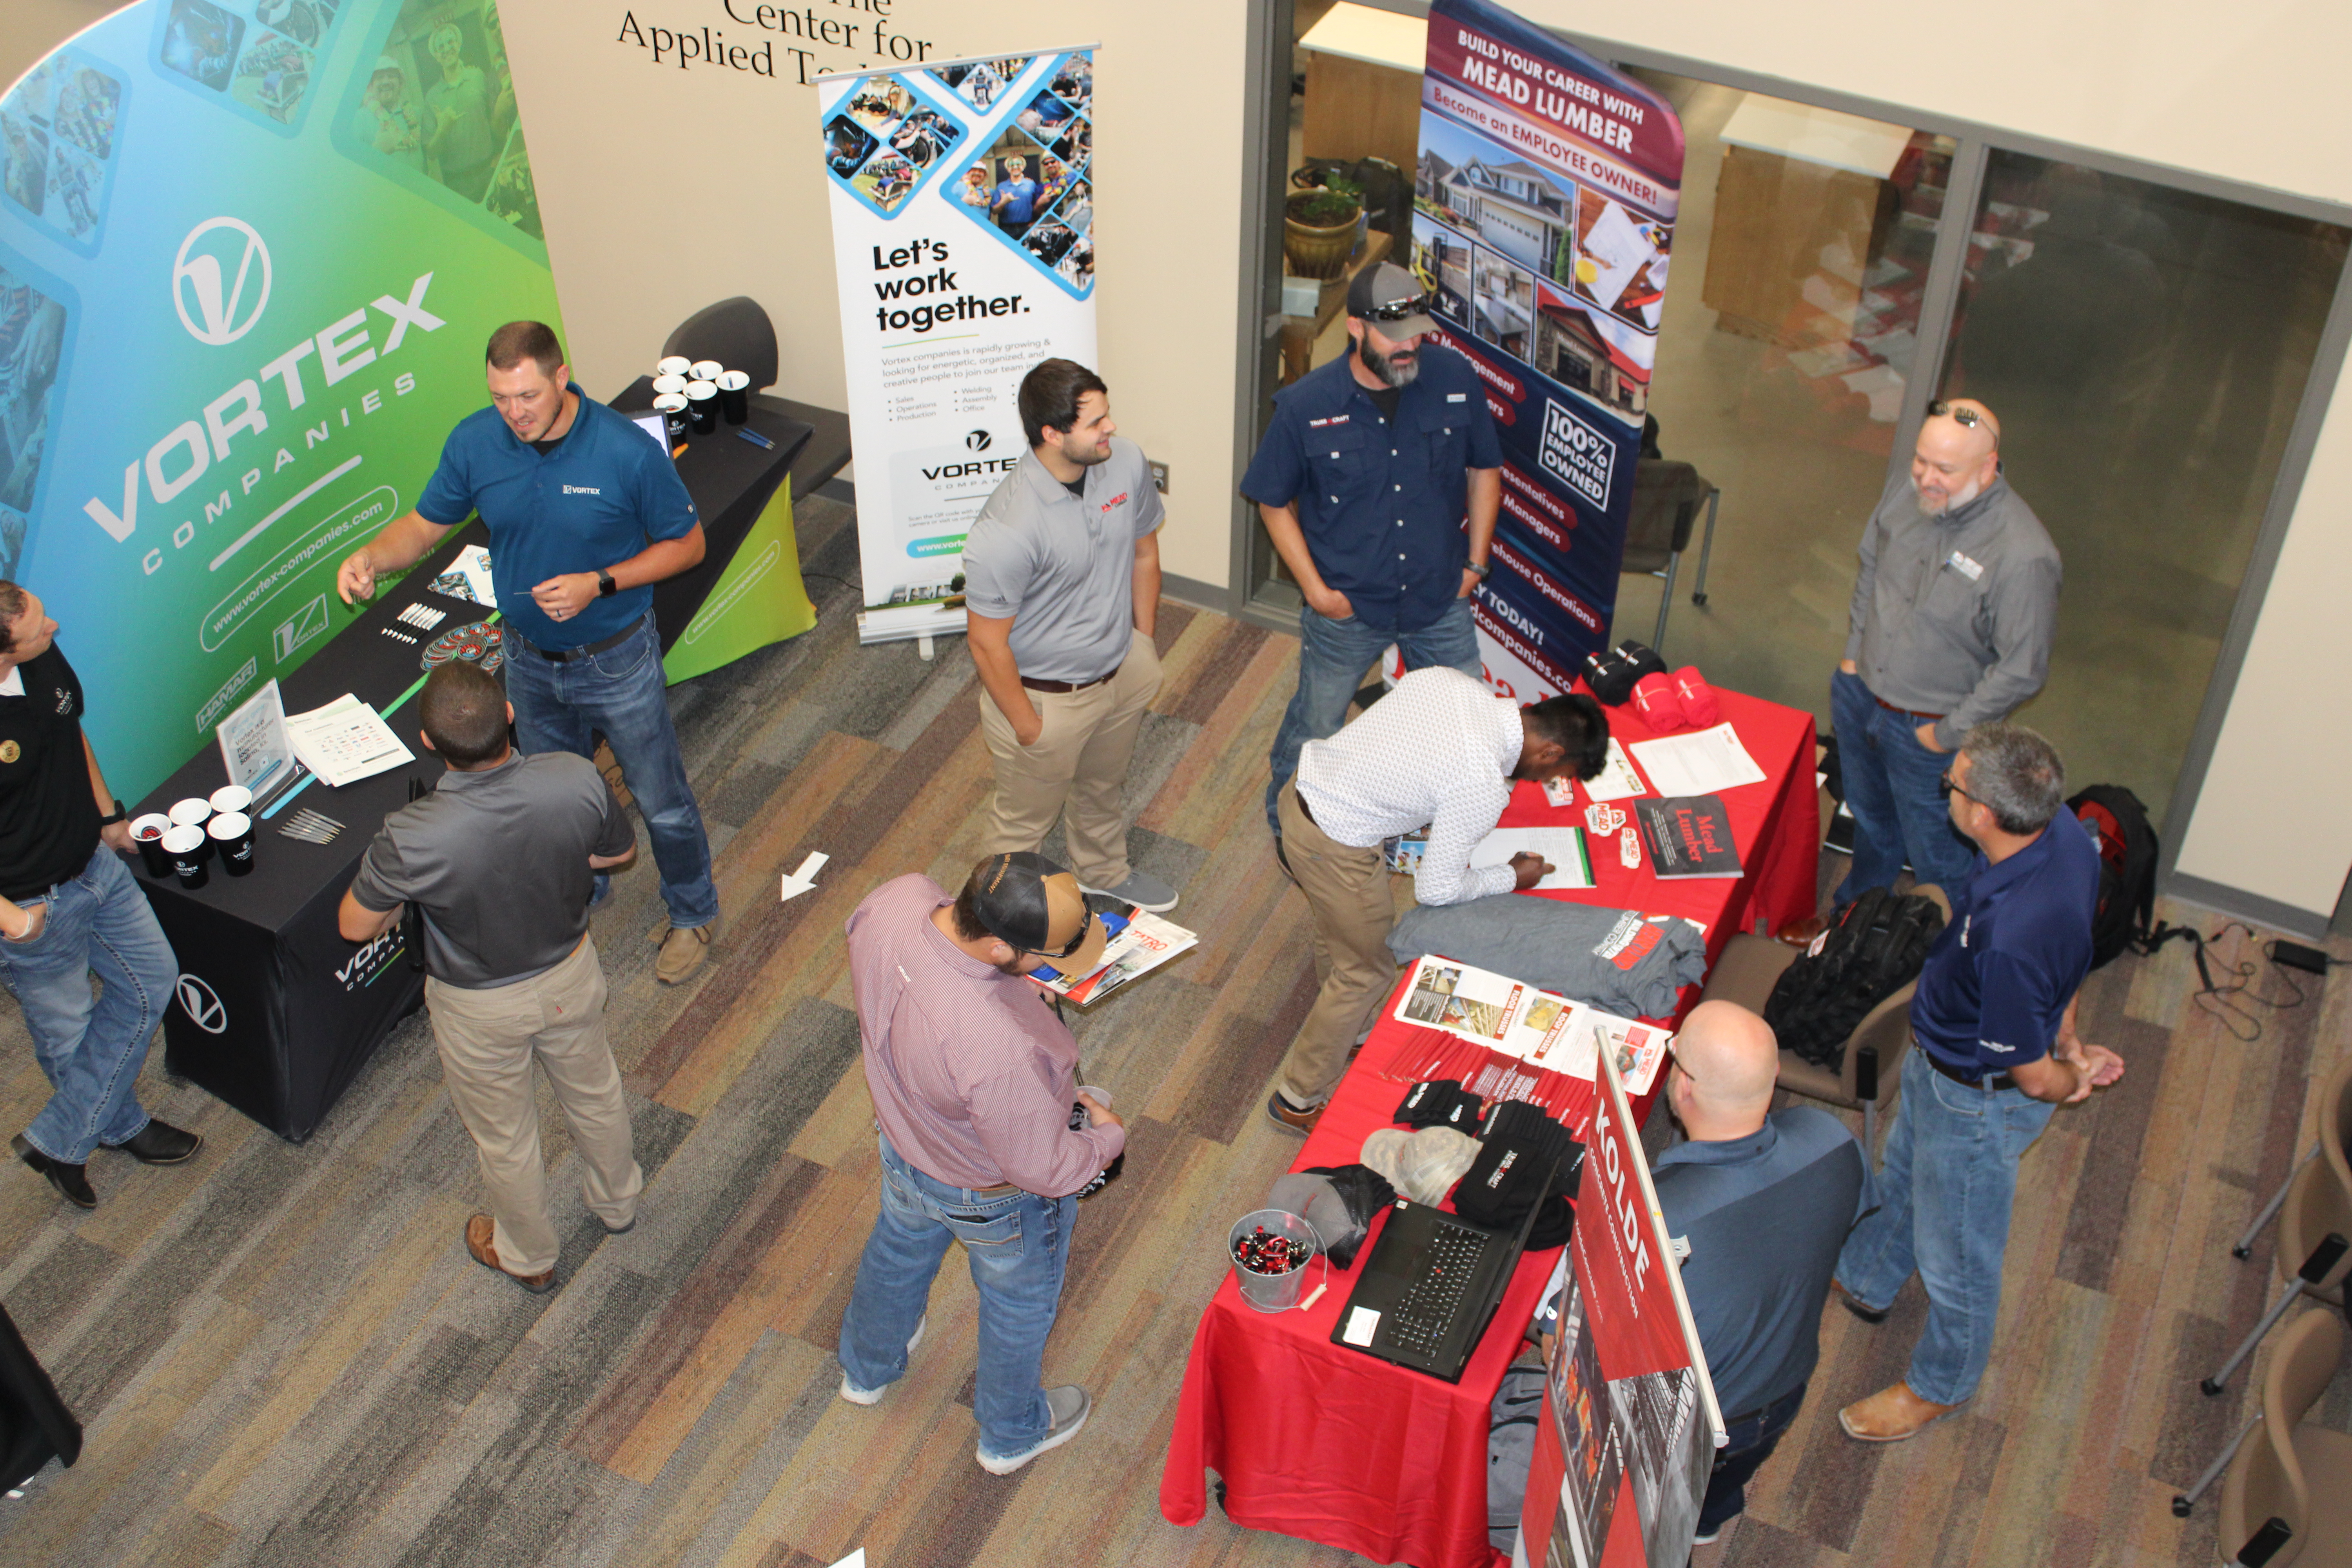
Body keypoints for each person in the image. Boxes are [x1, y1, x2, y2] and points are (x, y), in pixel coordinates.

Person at [334, 321, 721, 984]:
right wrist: (372, 555)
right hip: (528, 664)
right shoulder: (475, 443)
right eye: (500, 398)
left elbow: (688, 546)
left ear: (561, 377)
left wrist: (600, 582)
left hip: (616, 658)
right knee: (553, 802)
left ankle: (694, 911)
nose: (513, 414)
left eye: (527, 397)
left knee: (660, 798)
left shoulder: (624, 451)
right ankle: (586, 890)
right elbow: (425, 527)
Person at [1833, 722, 2123, 1441]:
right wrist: (2068, 1029)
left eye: (1951, 786)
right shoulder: (2063, 835)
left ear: (1985, 815)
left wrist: (2070, 1075)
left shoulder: (2014, 942)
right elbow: (2075, 956)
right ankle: (1868, 1277)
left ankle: (1944, 1383)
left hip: (1978, 1098)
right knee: (1904, 1171)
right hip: (1944, 1060)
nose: (1947, 793)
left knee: (1957, 1252)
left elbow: (2032, 1078)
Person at [338, 662, 642, 1293]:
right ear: (508, 715)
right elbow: (619, 854)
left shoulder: (410, 836)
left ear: (428, 743)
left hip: (477, 1008)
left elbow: (354, 926)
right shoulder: (576, 777)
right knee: (596, 1092)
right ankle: (619, 1205)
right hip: (568, 975)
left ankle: (529, 1257)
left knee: (506, 1139)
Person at [837, 852, 1125, 1476]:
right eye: (1044, 958)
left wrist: (1017, 985)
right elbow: (1044, 1169)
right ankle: (1010, 1435)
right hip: (989, 1195)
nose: (1055, 971)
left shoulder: (901, 893)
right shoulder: (997, 1046)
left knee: (899, 1247)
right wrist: (1105, 1139)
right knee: (1018, 1304)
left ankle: (867, 1368)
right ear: (998, 948)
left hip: (904, 1142)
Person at [1266, 668, 1608, 1133]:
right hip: (1335, 844)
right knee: (1367, 970)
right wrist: (1511, 874)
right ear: (1550, 752)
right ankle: (1298, 1100)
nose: (1544, 780)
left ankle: (1351, 1031)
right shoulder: (1482, 782)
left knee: (1346, 934)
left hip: (1300, 793)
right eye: (1555, 774)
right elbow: (1436, 890)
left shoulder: (1453, 682)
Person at [1244, 261, 1503, 845]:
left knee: (1469, 722)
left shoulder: (1455, 378)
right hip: (1349, 606)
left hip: (1440, 597)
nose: (1411, 345)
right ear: (1357, 328)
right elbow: (1271, 502)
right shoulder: (1306, 405)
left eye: (1418, 331)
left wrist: (1476, 565)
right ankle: (1289, 828)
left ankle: (1450, 821)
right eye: (1396, 334)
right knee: (1317, 724)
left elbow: (1485, 469)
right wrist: (1315, 591)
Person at [1789, 399, 2060, 942]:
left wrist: (1945, 735)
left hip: (1931, 731)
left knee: (1941, 858)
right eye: (1921, 462)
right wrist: (1852, 657)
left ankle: (1935, 961)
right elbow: (1871, 563)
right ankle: (1852, 921)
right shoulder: (1909, 489)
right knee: (1870, 822)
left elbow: (2022, 670)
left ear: (1988, 467)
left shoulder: (2024, 554)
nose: (1927, 479)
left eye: (1945, 470)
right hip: (1862, 695)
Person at [0, 584, 197, 1209]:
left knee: (152, 978)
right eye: (38, 627)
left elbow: (68, 730)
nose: (53, 626)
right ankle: (116, 1126)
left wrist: (108, 813)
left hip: (94, 865)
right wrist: (13, 923)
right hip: (33, 905)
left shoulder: (38, 660)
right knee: (67, 1034)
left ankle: (60, 1139)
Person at [1650, 1000, 1873, 1544]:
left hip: (1703, 1420)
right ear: (1774, 1079)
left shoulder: (1659, 1216)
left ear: (1683, 1089)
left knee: (1665, 1500)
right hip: (1788, 1382)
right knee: (1726, 1485)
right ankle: (1708, 1524)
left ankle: (1683, 1528)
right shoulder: (1833, 1139)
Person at [962, 358, 1176, 913]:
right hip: (1046, 701)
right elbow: (987, 643)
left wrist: (1143, 644)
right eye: (1096, 422)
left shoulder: (1124, 462)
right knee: (1021, 826)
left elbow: (1145, 550)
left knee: (1103, 788)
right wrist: (1029, 725)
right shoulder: (1006, 529)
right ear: (1053, 435)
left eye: (1108, 415)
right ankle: (999, 923)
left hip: (1120, 670)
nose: (1111, 429)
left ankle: (1103, 871)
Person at [993, 155, 1041, 238]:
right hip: (1007, 230)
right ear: (1008, 169)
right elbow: (994, 211)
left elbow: (1037, 206)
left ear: (1023, 167)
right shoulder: (1001, 187)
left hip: (1027, 228)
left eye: (1018, 164)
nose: (1015, 167)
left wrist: (1036, 222)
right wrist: (1003, 203)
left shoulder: (1031, 184)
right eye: (1012, 165)